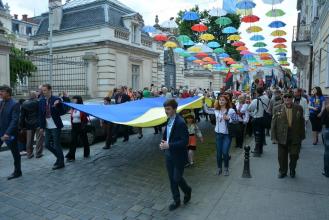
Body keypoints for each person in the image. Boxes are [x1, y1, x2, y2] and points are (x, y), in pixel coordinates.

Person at [160, 99, 192, 211]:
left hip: (178, 156)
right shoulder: (168, 119)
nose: (166, 111)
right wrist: (163, 142)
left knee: (177, 178)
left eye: (168, 109)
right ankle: (176, 200)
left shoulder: (180, 123)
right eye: (165, 109)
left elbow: (185, 141)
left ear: (174, 109)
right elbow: (167, 135)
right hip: (168, 154)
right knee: (172, 179)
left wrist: (169, 145)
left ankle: (187, 190)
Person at [271, 92, 305, 178]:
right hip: (281, 135)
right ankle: (282, 171)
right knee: (282, 156)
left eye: (289, 97)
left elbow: (302, 122)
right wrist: (273, 137)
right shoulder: (277, 108)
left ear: (292, 98)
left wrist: (302, 135)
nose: (287, 98)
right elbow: (273, 124)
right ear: (283, 98)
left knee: (294, 155)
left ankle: (292, 169)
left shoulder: (299, 108)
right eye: (285, 97)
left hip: (295, 135)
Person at [204, 95, 237, 176]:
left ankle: (226, 168)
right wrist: (203, 101)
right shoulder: (216, 110)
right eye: (220, 100)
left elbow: (236, 120)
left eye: (222, 100)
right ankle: (219, 168)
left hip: (227, 135)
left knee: (225, 152)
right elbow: (206, 110)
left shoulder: (231, 110)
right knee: (219, 153)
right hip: (218, 134)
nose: (221, 101)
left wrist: (229, 119)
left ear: (226, 101)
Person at [39, 84, 66, 170]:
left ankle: (61, 162)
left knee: (56, 144)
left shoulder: (56, 99)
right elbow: (41, 115)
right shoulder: (42, 100)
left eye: (45, 90)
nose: (43, 92)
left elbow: (62, 111)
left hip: (55, 126)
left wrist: (57, 106)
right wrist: (41, 127)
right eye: (42, 90)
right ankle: (59, 157)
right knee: (46, 144)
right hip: (47, 126)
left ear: (50, 90)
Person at [0, 85, 22, 180]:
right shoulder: (1, 102)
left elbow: (14, 120)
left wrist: (7, 133)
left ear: (8, 93)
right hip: (0, 132)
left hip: (10, 133)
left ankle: (18, 171)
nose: (0, 93)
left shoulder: (15, 104)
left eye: (2, 91)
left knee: (15, 153)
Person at [65, 96, 90, 162]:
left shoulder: (82, 107)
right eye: (73, 99)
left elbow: (85, 117)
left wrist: (84, 124)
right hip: (74, 126)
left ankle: (86, 153)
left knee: (84, 140)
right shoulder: (73, 108)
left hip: (81, 126)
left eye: (74, 99)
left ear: (78, 100)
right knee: (73, 141)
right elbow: (72, 117)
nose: (73, 100)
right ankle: (71, 156)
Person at [248, 87, 270, 157]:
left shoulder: (255, 100)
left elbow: (250, 108)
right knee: (262, 133)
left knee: (257, 135)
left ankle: (257, 150)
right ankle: (260, 149)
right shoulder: (266, 98)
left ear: (257, 93)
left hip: (257, 118)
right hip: (264, 118)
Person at [20, 91, 39, 159]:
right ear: (35, 96)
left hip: (28, 123)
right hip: (38, 123)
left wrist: (21, 126)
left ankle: (29, 153)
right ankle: (38, 153)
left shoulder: (24, 103)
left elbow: (22, 116)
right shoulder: (38, 102)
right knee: (39, 139)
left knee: (29, 140)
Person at [321, 104, 329, 178]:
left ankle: (327, 172)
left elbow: (322, 120)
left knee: (327, 152)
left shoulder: (326, 108)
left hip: (327, 129)